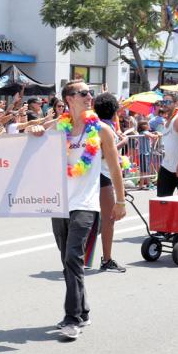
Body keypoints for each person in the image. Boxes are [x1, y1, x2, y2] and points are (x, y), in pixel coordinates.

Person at [27, 80, 126, 340]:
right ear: (69, 99)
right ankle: (83, 310)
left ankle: (71, 319)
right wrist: (35, 128)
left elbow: (115, 168)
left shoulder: (102, 130)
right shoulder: (59, 128)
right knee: (67, 261)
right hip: (59, 203)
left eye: (90, 92)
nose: (89, 96)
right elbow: (30, 134)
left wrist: (120, 201)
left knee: (73, 257)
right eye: (83, 93)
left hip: (85, 203)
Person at [92, 92, 128, 274]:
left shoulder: (99, 126)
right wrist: (122, 143)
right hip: (102, 175)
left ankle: (83, 257)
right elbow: (102, 154)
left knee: (95, 219)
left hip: (98, 175)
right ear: (115, 111)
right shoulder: (104, 128)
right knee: (108, 219)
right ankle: (106, 259)